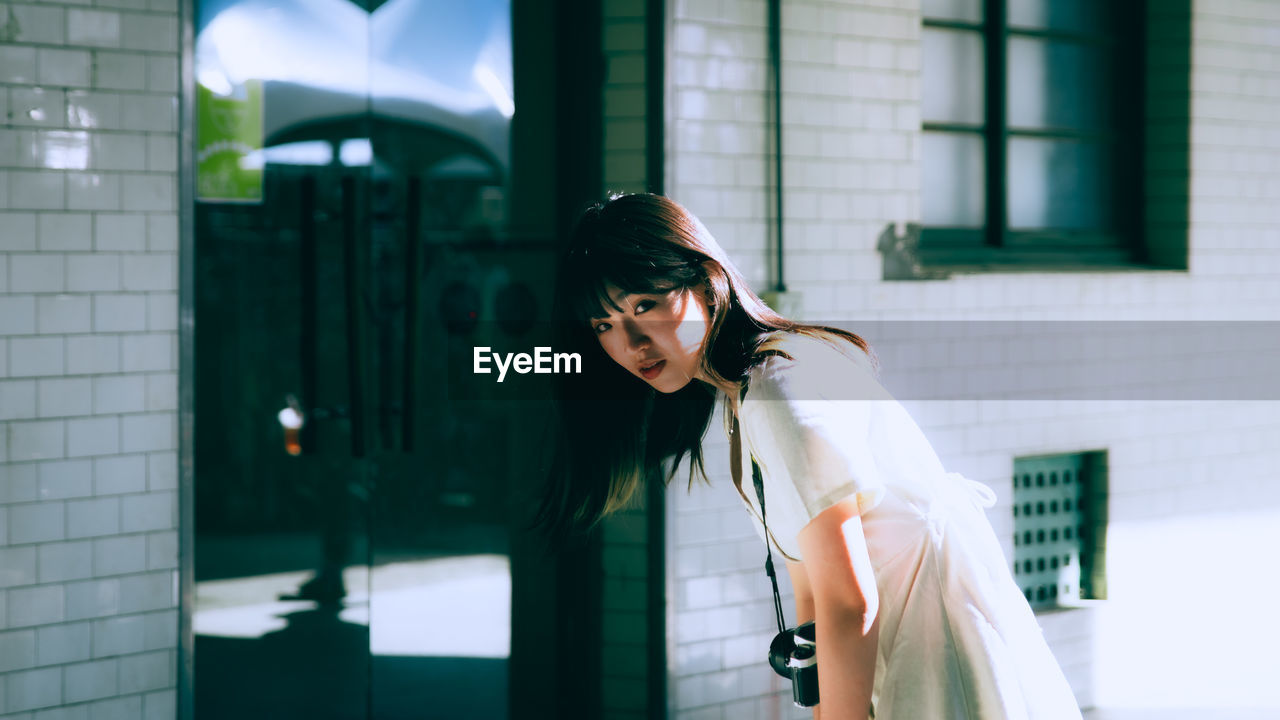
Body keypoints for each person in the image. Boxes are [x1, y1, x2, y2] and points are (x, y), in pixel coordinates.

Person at [535, 192, 1083, 720]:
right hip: (916, 666)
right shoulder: (748, 395)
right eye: (604, 326)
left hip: (946, 669)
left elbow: (848, 604)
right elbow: (815, 599)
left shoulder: (780, 388)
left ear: (705, 280)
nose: (630, 342)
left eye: (645, 305)